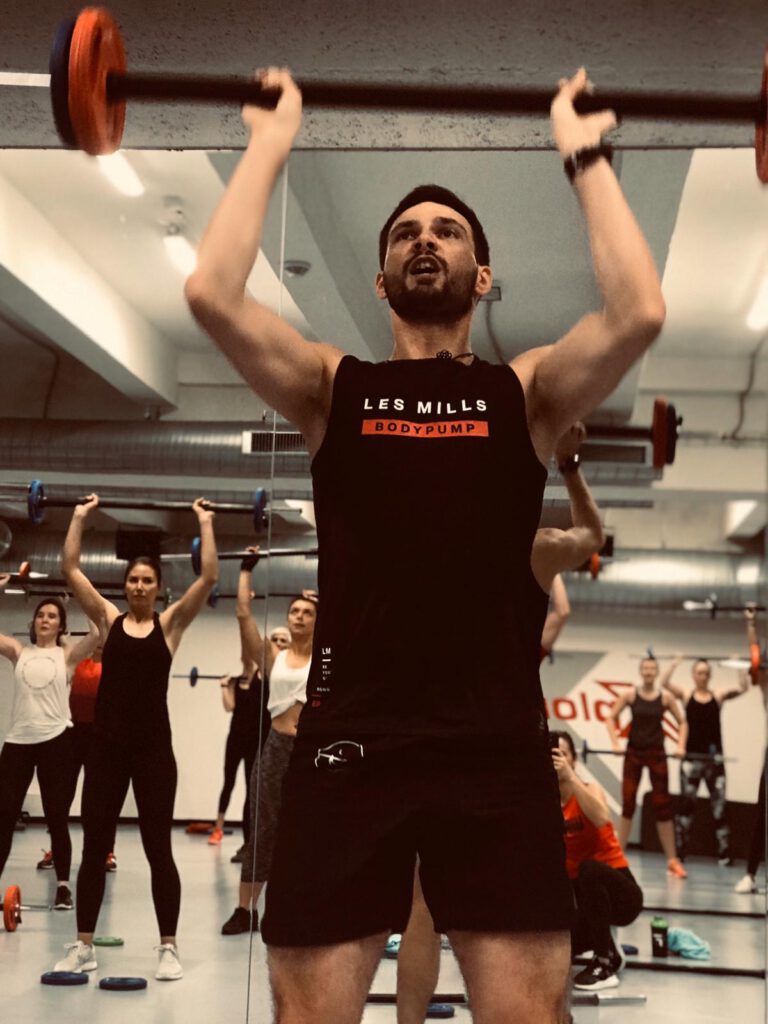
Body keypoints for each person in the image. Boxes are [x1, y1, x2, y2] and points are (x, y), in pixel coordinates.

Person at [186, 62, 665, 1022]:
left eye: (447, 231)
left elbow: (638, 313)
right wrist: (270, 145)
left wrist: (585, 157)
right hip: (349, 744)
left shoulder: (525, 393)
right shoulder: (336, 388)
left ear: (481, 276)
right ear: (381, 280)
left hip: (494, 748)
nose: (425, 240)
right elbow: (211, 294)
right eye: (406, 233)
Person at [395, 421, 603, 1024]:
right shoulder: (534, 547)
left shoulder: (422, 550)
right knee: (525, 909)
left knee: (425, 908)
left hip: (443, 742)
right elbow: (592, 535)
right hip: (503, 749)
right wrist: (569, 464)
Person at [52, 495, 218, 981]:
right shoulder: (109, 621)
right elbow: (70, 569)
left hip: (153, 754)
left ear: (159, 588)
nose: (139, 586)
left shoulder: (170, 625)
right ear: (124, 585)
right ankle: (84, 945)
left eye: (147, 580)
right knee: (94, 848)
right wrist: (79, 516)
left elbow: (209, 578)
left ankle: (169, 947)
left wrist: (205, 521)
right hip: (106, 751)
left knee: (157, 850)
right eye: (133, 580)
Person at [221, 551, 316, 934]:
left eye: (307, 612)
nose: (299, 616)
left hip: (310, 753)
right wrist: (246, 571)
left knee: (309, 832)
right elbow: (244, 615)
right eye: (295, 611)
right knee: (262, 829)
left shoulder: (327, 657)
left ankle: (302, 907)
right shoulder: (274, 657)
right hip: (276, 747)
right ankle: (245, 910)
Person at [0, 577, 99, 913]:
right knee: (4, 816)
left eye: (52, 616)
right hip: (18, 741)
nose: (45, 619)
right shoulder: (19, 652)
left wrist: (82, 597)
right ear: (34, 623)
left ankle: (63, 888)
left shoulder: (67, 656)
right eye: (41, 615)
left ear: (61, 625)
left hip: (57, 740)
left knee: (57, 817)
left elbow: (97, 633)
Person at [550, 729, 643, 991]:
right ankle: (609, 945)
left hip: (621, 894)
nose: (558, 760)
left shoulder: (590, 790)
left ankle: (605, 962)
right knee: (557, 948)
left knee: (588, 870)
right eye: (553, 755)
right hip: (583, 899)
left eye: (564, 754)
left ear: (573, 760)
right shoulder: (546, 805)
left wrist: (570, 776)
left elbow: (602, 817)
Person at [38, 642, 118, 874]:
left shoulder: (115, 667)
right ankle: (57, 849)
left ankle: (107, 851)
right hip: (72, 734)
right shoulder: (78, 664)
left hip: (100, 737)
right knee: (61, 797)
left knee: (100, 801)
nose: (100, 644)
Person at [660, 655, 748, 865]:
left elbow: (743, 688)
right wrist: (674, 664)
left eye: (706, 673)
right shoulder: (686, 695)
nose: (703, 676)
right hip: (690, 761)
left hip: (714, 761)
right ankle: (680, 852)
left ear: (710, 676)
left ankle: (724, 854)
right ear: (694, 675)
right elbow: (664, 683)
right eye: (699, 673)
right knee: (686, 809)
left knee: (720, 809)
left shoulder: (718, 696)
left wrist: (738, 665)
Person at [606, 657, 687, 877]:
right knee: (628, 802)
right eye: (645, 668)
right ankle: (617, 857)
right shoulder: (630, 695)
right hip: (634, 753)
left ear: (656, 672)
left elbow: (682, 722)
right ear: (641, 671)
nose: (649, 672)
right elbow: (611, 717)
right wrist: (615, 743)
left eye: (652, 668)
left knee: (663, 805)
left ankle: (672, 860)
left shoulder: (666, 697)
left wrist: (681, 745)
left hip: (656, 754)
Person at [208, 553, 263, 855]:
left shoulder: (262, 678)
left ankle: (247, 842)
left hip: (256, 742)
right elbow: (229, 707)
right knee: (228, 782)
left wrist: (247, 607)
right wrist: (223, 687)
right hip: (236, 739)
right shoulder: (239, 680)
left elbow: (247, 640)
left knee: (251, 790)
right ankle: (217, 828)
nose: (247, 659)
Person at [735, 607, 767, 893]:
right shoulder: (766, 685)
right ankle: (750, 875)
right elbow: (755, 656)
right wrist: (751, 623)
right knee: (762, 816)